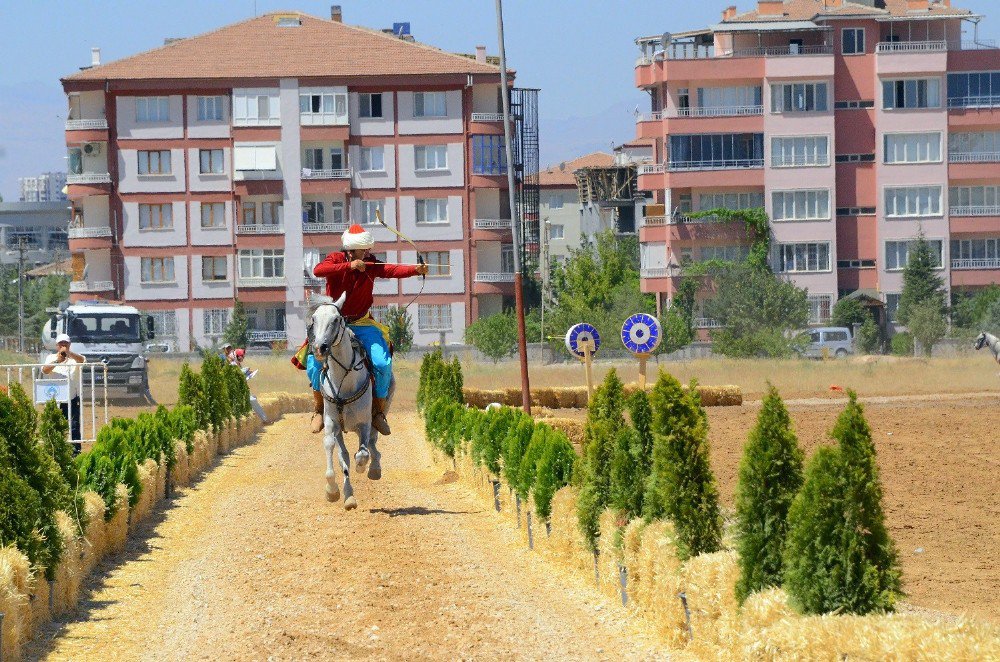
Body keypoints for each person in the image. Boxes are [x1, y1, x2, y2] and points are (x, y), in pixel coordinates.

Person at [312, 224, 427, 435]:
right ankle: (319, 410)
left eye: (366, 250)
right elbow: (318, 270)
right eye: (363, 250)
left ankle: (378, 412)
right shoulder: (336, 259)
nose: (367, 253)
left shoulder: (371, 263)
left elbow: (391, 269)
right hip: (335, 323)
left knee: (382, 363)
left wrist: (415, 270)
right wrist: (350, 267)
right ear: (351, 250)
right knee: (313, 361)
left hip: (362, 322)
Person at [42, 333, 87, 453]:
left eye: (65, 343)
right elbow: (45, 370)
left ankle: (75, 451)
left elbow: (82, 361)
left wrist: (69, 354)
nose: (63, 345)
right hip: (54, 399)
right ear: (57, 345)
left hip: (71, 398)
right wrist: (58, 360)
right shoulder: (50, 358)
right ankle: (54, 450)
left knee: (74, 426)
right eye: (61, 343)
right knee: (54, 426)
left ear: (69, 344)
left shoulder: (74, 358)